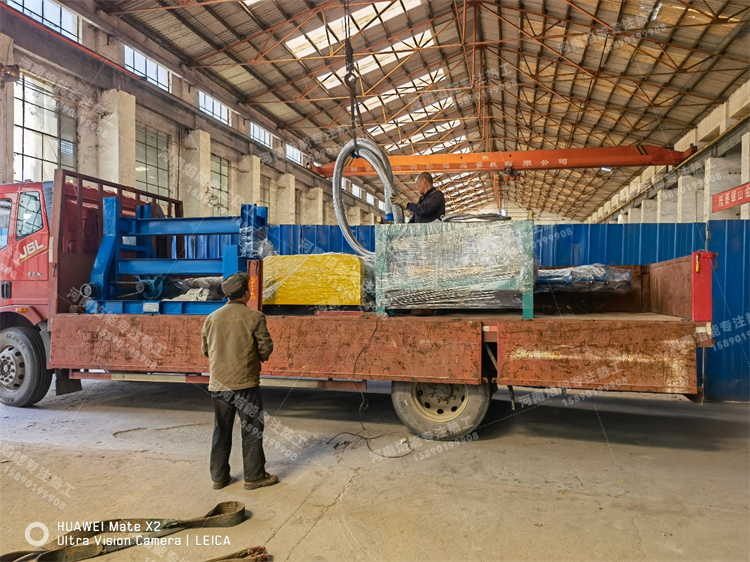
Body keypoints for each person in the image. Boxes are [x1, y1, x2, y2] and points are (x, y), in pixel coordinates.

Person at [201, 272, 277, 491]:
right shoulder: (255, 317)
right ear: (246, 293)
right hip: (245, 385)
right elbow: (265, 349)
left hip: (218, 385)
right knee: (252, 429)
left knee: (221, 429)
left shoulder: (212, 318)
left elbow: (206, 350)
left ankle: (219, 478)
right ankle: (254, 477)